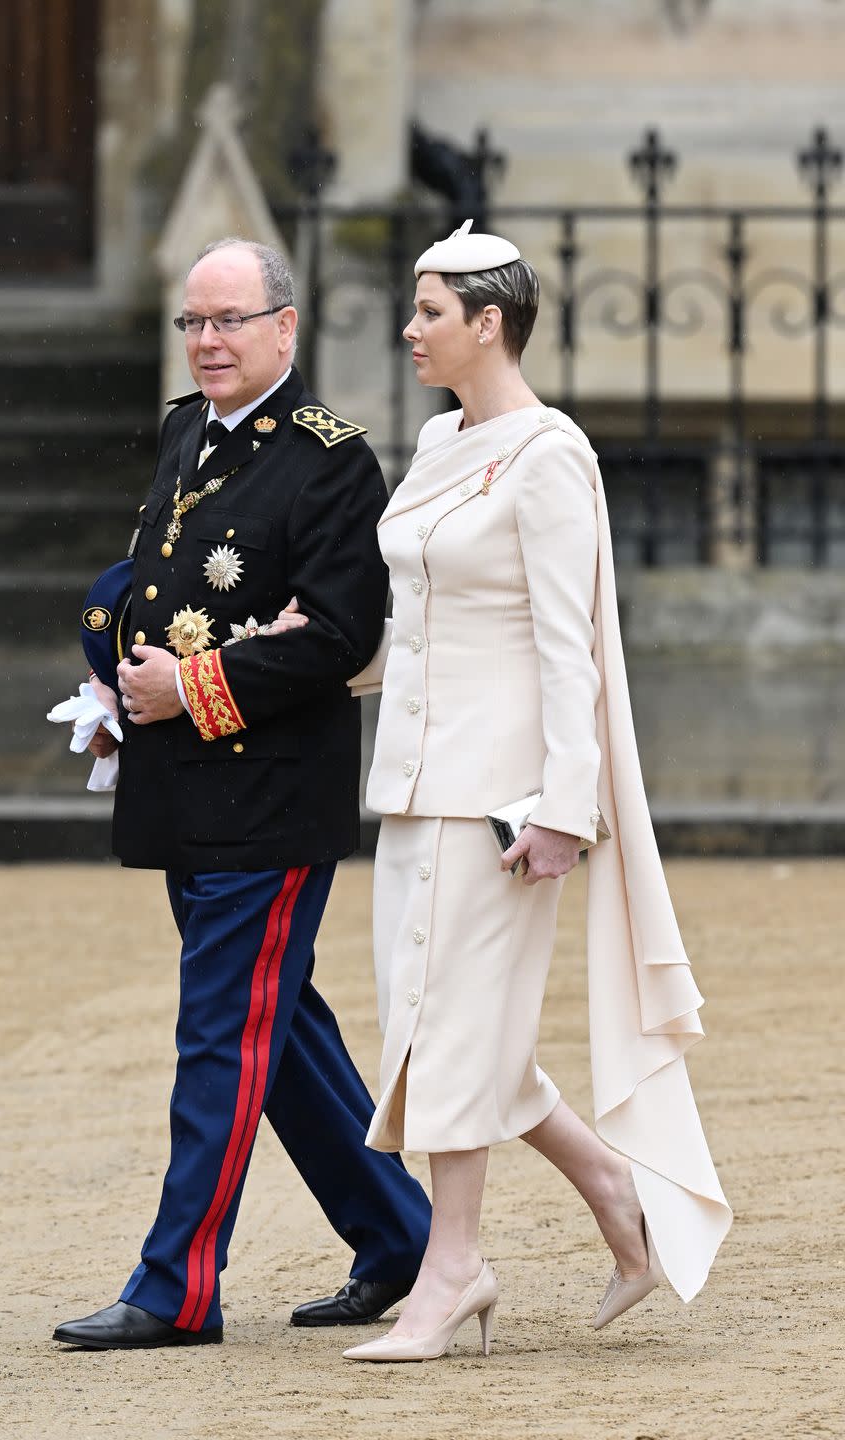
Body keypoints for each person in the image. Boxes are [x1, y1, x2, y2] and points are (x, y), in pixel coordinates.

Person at [313, 220, 731, 1361]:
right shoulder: (444, 442)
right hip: (410, 778)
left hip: (500, 794)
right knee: (440, 1025)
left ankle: (454, 1273)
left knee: (452, 1034)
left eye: (429, 311)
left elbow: (569, 646)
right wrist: (295, 648)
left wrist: (565, 805)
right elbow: (414, 622)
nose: (410, 328)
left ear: (487, 323)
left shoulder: (552, 455)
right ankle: (620, 1202)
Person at [52, 237, 430, 1351]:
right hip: (186, 792)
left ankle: (177, 1288)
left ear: (286, 327)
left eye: (229, 321)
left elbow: (344, 637)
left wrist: (193, 686)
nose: (208, 342)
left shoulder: (332, 460)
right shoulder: (187, 429)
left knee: (220, 1033)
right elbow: (159, 577)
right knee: (281, 1029)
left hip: (269, 801)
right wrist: (112, 658)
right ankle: (399, 1232)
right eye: (194, 323)